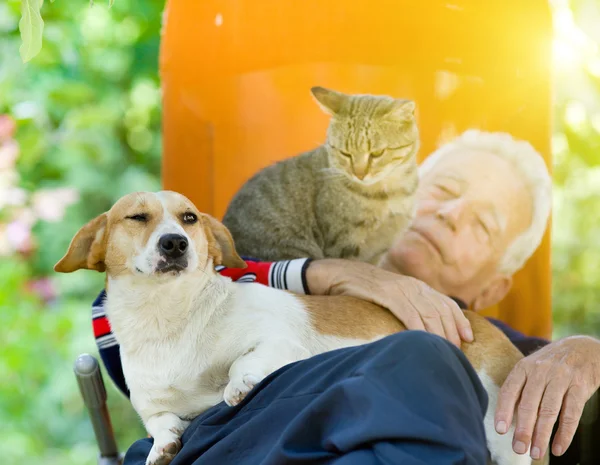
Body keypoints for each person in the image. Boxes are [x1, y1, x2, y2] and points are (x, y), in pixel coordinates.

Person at [90, 130, 599, 463]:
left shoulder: (497, 348)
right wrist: (322, 275)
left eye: (482, 224)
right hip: (233, 442)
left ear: (491, 289)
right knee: (423, 357)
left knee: (429, 357)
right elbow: (109, 318)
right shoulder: (273, 271)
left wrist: (589, 351)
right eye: (443, 189)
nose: (449, 213)